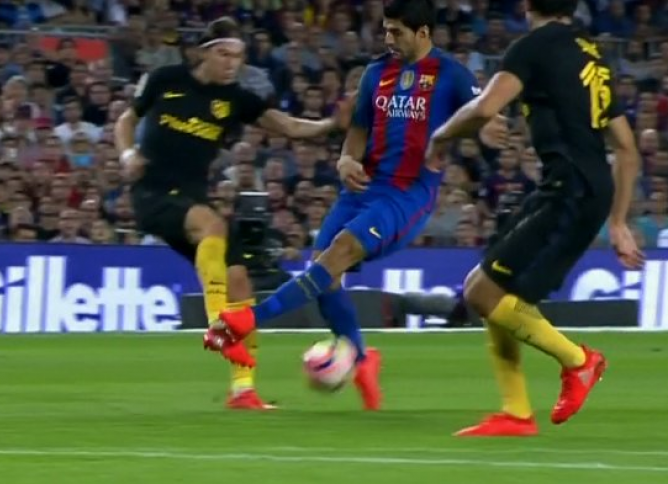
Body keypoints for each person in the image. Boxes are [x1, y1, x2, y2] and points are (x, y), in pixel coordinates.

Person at [202, 0, 507, 411]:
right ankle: (362, 360)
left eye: (395, 31)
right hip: (360, 189)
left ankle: (245, 321)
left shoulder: (451, 74)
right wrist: (347, 157)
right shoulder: (376, 72)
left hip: (407, 194)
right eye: (385, 30)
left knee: (339, 252)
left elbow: (483, 111)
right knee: (324, 273)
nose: (387, 38)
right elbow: (360, 129)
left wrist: (488, 129)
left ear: (423, 33)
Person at [424, 0, 644, 437]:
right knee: (489, 289)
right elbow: (626, 147)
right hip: (579, 188)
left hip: (570, 191)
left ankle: (579, 361)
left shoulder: (532, 47)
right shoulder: (591, 55)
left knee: (482, 294)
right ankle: (516, 413)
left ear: (527, 5)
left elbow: (486, 107)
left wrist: (442, 134)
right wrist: (617, 221)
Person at [114, 17, 353, 410]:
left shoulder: (235, 99)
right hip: (152, 193)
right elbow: (127, 120)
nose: (231, 63)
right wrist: (127, 154)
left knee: (240, 280)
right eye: (224, 54)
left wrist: (330, 125)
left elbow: (287, 126)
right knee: (213, 224)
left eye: (238, 56)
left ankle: (243, 391)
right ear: (204, 52)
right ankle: (217, 329)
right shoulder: (165, 78)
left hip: (191, 197)